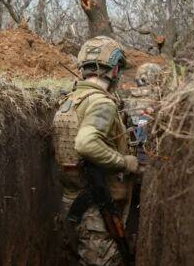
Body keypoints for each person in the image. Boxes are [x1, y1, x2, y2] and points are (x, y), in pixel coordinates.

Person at [52, 36, 139, 266]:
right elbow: (86, 143)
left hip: (72, 203)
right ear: (114, 69)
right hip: (97, 212)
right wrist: (124, 162)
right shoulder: (102, 103)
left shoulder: (71, 100)